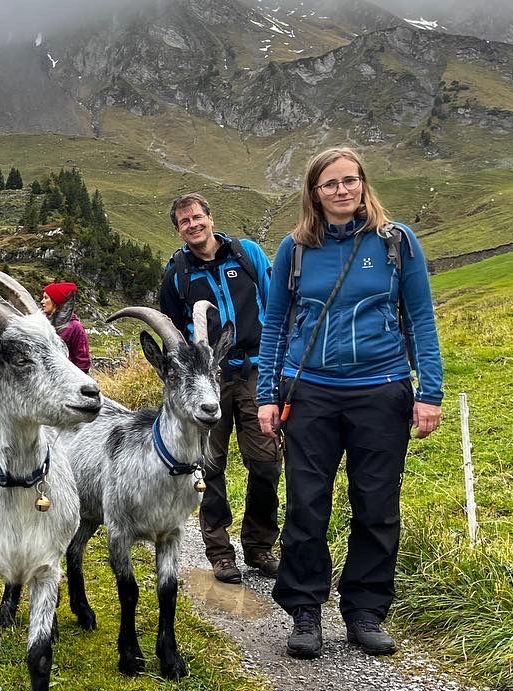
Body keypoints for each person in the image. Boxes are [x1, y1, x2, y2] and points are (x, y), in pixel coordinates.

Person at [257, 147, 443, 660]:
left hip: (381, 389)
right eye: (330, 184)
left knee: (377, 505)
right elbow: (274, 325)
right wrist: (267, 395)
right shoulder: (294, 249)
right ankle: (305, 610)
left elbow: (422, 318)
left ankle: (365, 611)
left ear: (363, 184)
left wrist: (429, 390)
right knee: (307, 505)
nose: (342, 190)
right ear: (314, 193)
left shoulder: (396, 243)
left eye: (350, 180)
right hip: (310, 390)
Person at [159, 192, 281, 585]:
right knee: (209, 465)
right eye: (184, 222)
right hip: (207, 380)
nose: (192, 225)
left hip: (256, 369)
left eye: (197, 217)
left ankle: (260, 545)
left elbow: (275, 301)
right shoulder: (177, 273)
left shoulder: (247, 255)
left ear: (210, 218)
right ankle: (219, 552)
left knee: (265, 462)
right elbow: (172, 332)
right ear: (178, 230)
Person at [41, 282, 90, 372]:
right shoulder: (43, 323)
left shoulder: (75, 327)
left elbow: (82, 361)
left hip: (66, 380)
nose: (42, 302)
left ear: (56, 301)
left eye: (46, 298)